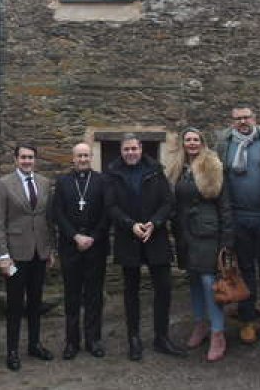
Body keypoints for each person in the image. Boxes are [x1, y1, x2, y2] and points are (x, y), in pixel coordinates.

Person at [214, 104, 260, 346]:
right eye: (238, 119)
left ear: (255, 118)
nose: (243, 122)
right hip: (238, 218)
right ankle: (247, 321)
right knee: (244, 271)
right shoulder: (224, 145)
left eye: (246, 117)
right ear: (232, 122)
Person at [103, 134, 183, 361]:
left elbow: (168, 202)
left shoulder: (157, 171)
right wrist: (130, 225)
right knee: (131, 291)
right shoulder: (112, 174)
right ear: (121, 151)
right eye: (126, 149)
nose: (130, 153)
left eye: (134, 149)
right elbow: (110, 206)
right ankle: (134, 339)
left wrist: (155, 223)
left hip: (155, 236)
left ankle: (161, 337)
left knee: (164, 288)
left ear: (141, 149)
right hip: (128, 237)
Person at [169, 128, 234, 362]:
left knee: (209, 281)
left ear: (202, 142)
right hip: (185, 232)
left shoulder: (212, 165)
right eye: (188, 139)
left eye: (196, 139)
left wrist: (227, 239)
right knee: (194, 278)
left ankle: (218, 333)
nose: (192, 143)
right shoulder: (178, 167)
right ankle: (200, 325)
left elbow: (224, 204)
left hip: (208, 231)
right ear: (183, 143)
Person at [0, 143, 55, 371]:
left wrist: (49, 251)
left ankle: (34, 344)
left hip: (39, 254)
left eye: (31, 157)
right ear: (16, 159)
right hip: (15, 255)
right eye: (23, 157)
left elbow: (48, 221)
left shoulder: (45, 183)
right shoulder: (4, 184)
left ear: (35, 160)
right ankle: (12, 350)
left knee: (36, 302)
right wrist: (3, 255)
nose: (27, 161)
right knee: (15, 305)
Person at [50, 142, 108, 359]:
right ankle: (72, 342)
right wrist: (75, 236)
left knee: (94, 296)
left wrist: (93, 237)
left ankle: (93, 340)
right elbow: (58, 213)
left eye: (86, 155)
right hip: (70, 247)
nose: (83, 159)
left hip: (96, 246)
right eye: (79, 156)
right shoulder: (63, 182)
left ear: (90, 157)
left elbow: (107, 213)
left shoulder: (102, 181)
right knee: (72, 296)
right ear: (72, 159)